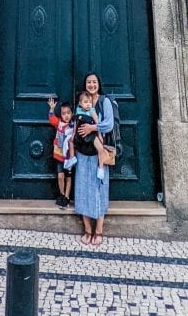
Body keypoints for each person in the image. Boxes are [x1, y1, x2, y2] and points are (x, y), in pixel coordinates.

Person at [73, 72, 113, 247]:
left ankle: (98, 231)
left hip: (98, 152)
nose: (91, 85)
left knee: (99, 190)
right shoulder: (82, 102)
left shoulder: (105, 102)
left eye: (94, 82)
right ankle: (87, 230)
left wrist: (92, 127)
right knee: (82, 189)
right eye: (89, 82)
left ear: (99, 84)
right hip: (83, 151)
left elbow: (109, 124)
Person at [72, 90, 107, 181]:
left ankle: (100, 168)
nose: (88, 104)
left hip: (91, 134)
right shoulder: (78, 111)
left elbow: (97, 123)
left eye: (90, 102)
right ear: (80, 103)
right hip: (80, 135)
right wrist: (73, 134)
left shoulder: (92, 111)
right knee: (72, 143)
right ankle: (71, 159)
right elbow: (76, 123)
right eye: (85, 102)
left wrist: (99, 136)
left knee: (100, 148)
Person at [47, 96, 74, 208]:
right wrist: (52, 108)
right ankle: (62, 195)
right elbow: (51, 118)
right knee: (60, 176)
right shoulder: (59, 123)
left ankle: (67, 197)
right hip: (59, 155)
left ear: (72, 113)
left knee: (69, 177)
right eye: (63, 113)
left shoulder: (74, 126)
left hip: (69, 156)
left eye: (68, 113)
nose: (66, 115)